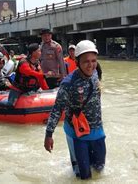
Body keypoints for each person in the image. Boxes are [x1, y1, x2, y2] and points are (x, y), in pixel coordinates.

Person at [44, 40, 106, 180]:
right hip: (77, 133)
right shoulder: (68, 83)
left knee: (100, 169)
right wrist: (49, 134)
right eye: (86, 62)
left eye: (93, 61)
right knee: (84, 176)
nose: (91, 65)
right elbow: (57, 109)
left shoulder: (96, 72)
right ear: (77, 62)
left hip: (97, 130)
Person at [0, 43, 49, 115]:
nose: (40, 53)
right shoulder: (23, 62)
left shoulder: (37, 63)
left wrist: (46, 90)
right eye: (39, 51)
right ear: (33, 52)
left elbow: (40, 78)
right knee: (10, 104)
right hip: (18, 88)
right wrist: (45, 75)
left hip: (31, 89)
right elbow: (29, 72)